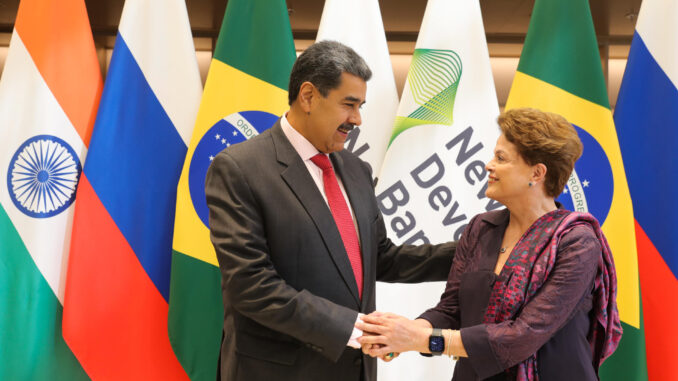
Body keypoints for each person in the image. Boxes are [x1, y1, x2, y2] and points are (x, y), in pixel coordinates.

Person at [205, 40, 456, 381]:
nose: (357, 119)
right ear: (308, 96)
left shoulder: (356, 170)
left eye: (361, 106)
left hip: (355, 370)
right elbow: (250, 285)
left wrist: (474, 249)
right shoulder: (239, 168)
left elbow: (381, 257)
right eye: (349, 105)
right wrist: (353, 328)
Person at [356, 108, 622, 381]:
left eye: (501, 158)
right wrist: (402, 333)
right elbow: (451, 309)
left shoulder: (577, 242)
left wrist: (422, 339)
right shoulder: (481, 229)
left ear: (537, 173)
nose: (488, 165)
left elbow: (523, 336)